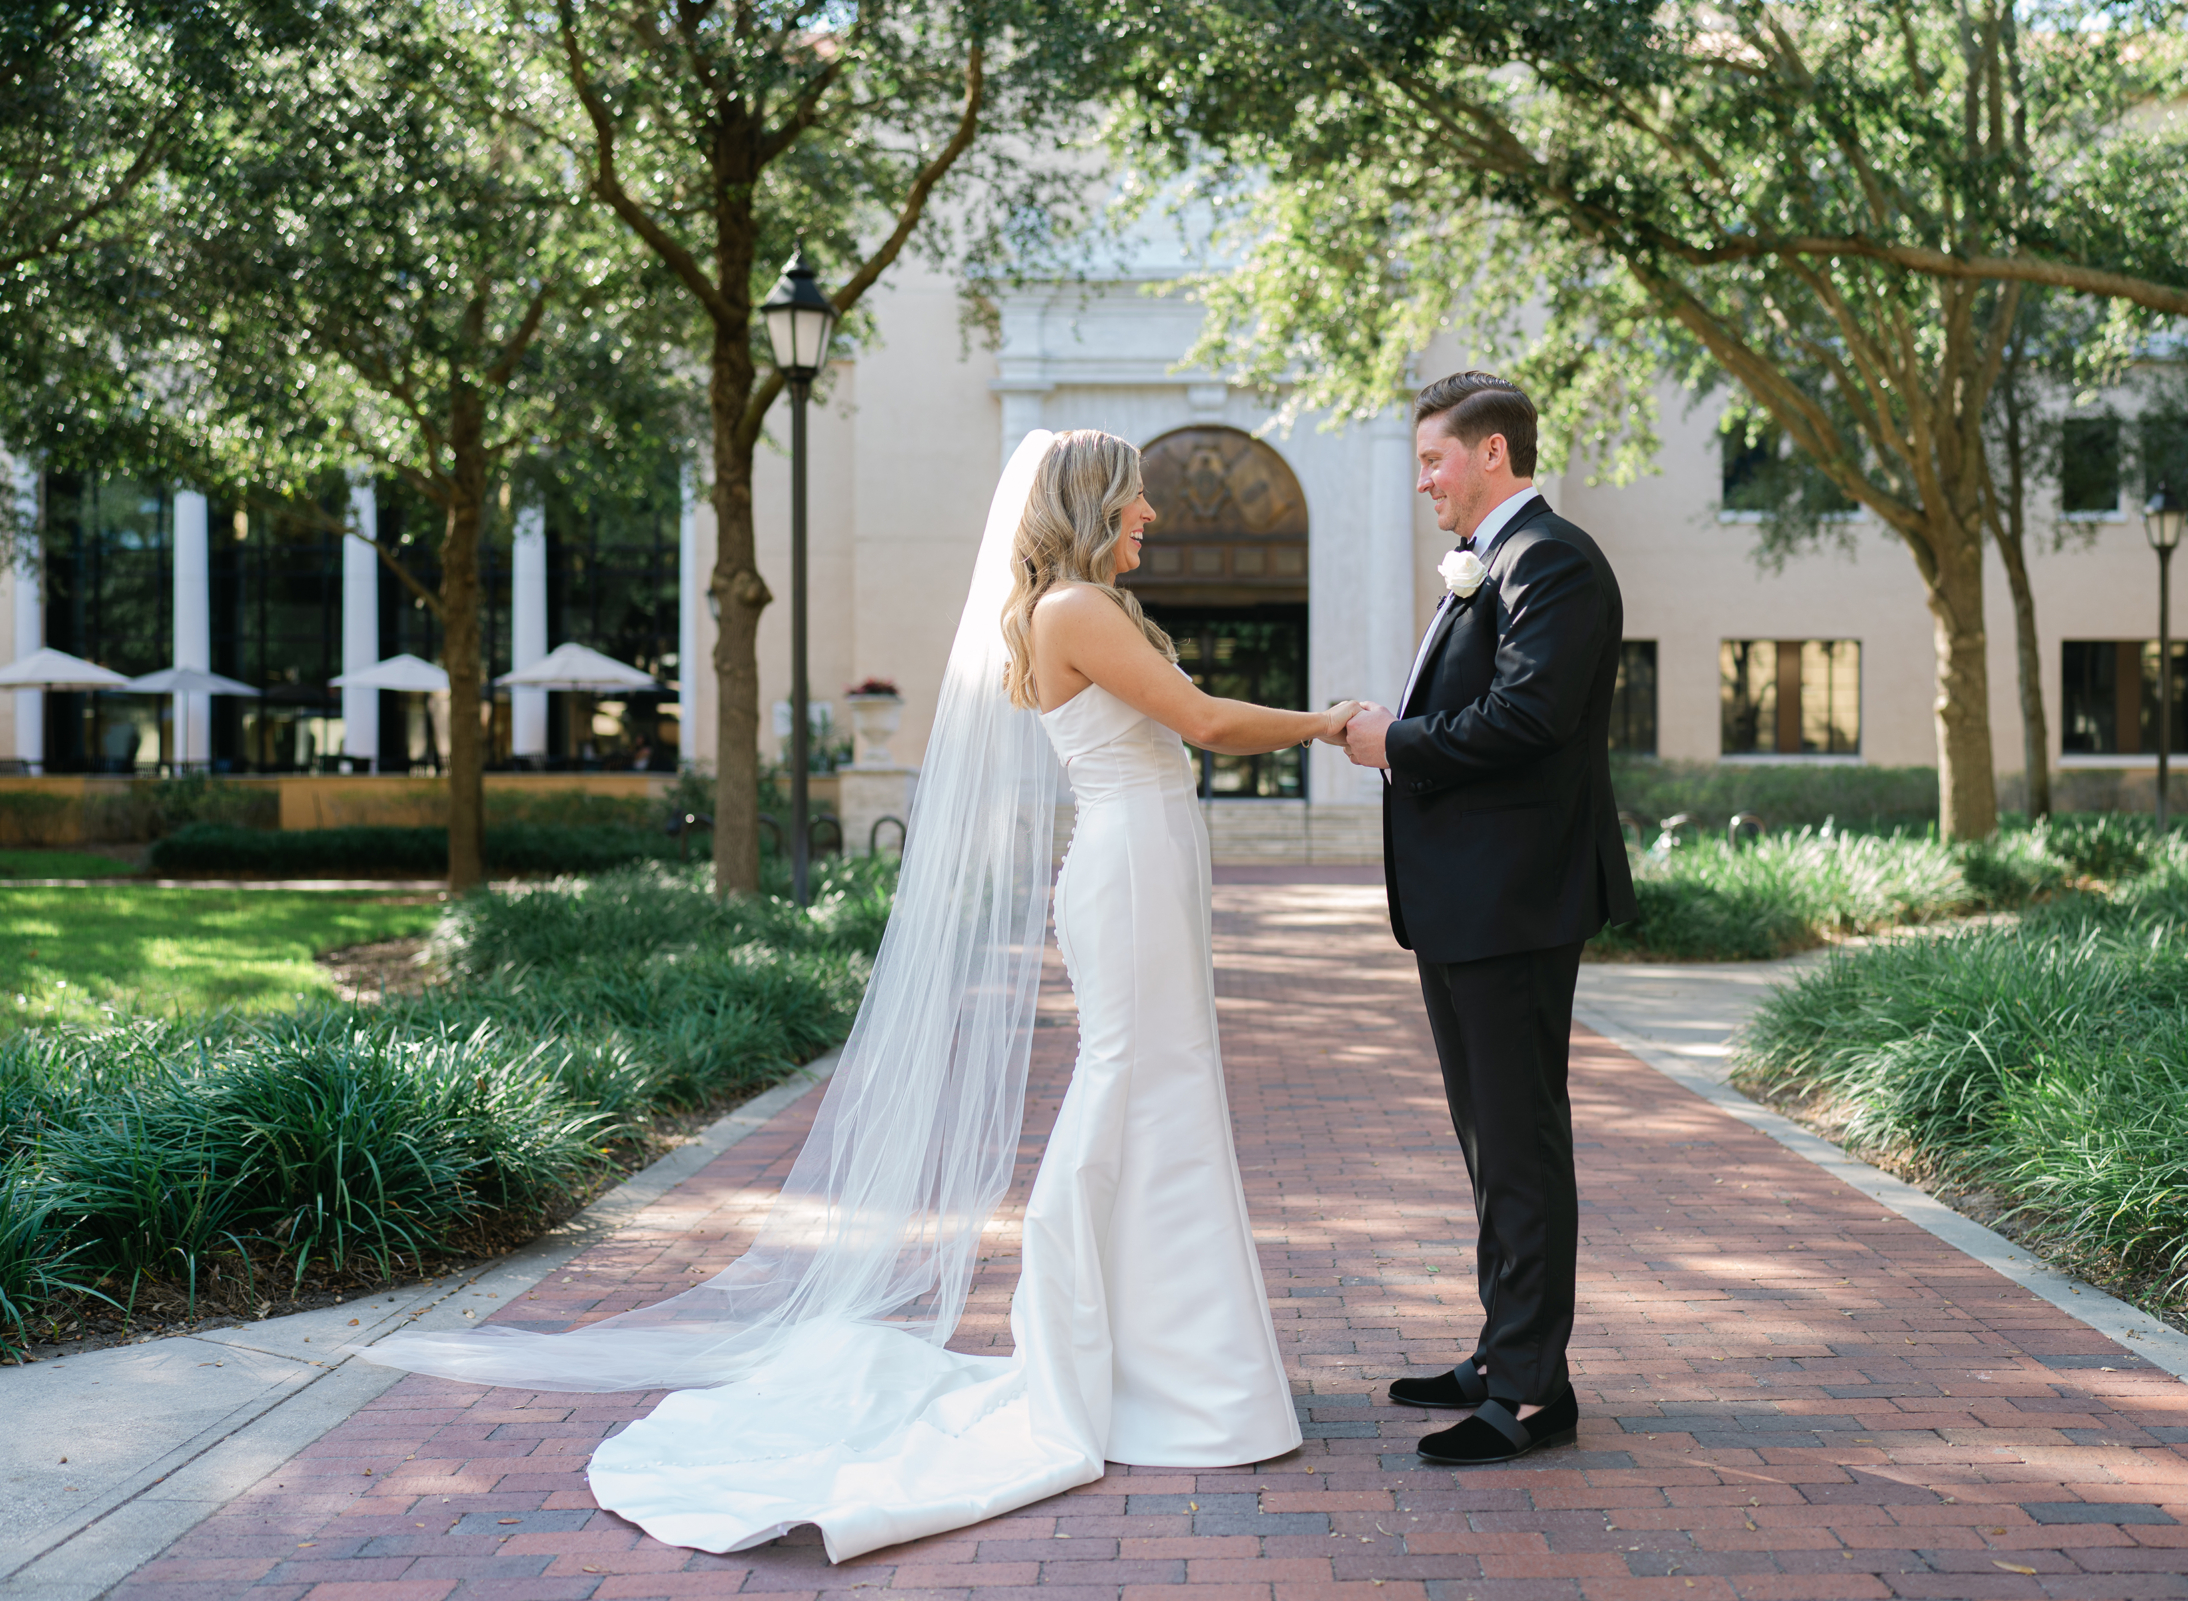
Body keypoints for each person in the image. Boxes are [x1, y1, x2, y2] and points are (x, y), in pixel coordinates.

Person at [362, 428, 1348, 1562]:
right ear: (1090, 503)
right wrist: (1331, 722)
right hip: (1127, 871)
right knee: (1140, 1082)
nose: (1152, 515)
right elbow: (1209, 722)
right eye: (1135, 497)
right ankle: (1127, 1357)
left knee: (1164, 1085)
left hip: (1145, 864)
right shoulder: (1075, 607)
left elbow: (1187, 711)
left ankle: (1169, 1355)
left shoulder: (1087, 605)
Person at [1334, 371, 1639, 1465]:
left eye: (1434, 459)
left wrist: (1392, 742)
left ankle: (1531, 1393)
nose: (1423, 480)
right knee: (1488, 1142)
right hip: (1471, 902)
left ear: (1494, 454)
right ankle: (1503, 1351)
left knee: (1519, 1142)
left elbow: (1527, 716)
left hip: (1515, 898)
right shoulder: (1495, 563)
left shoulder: (1550, 559)